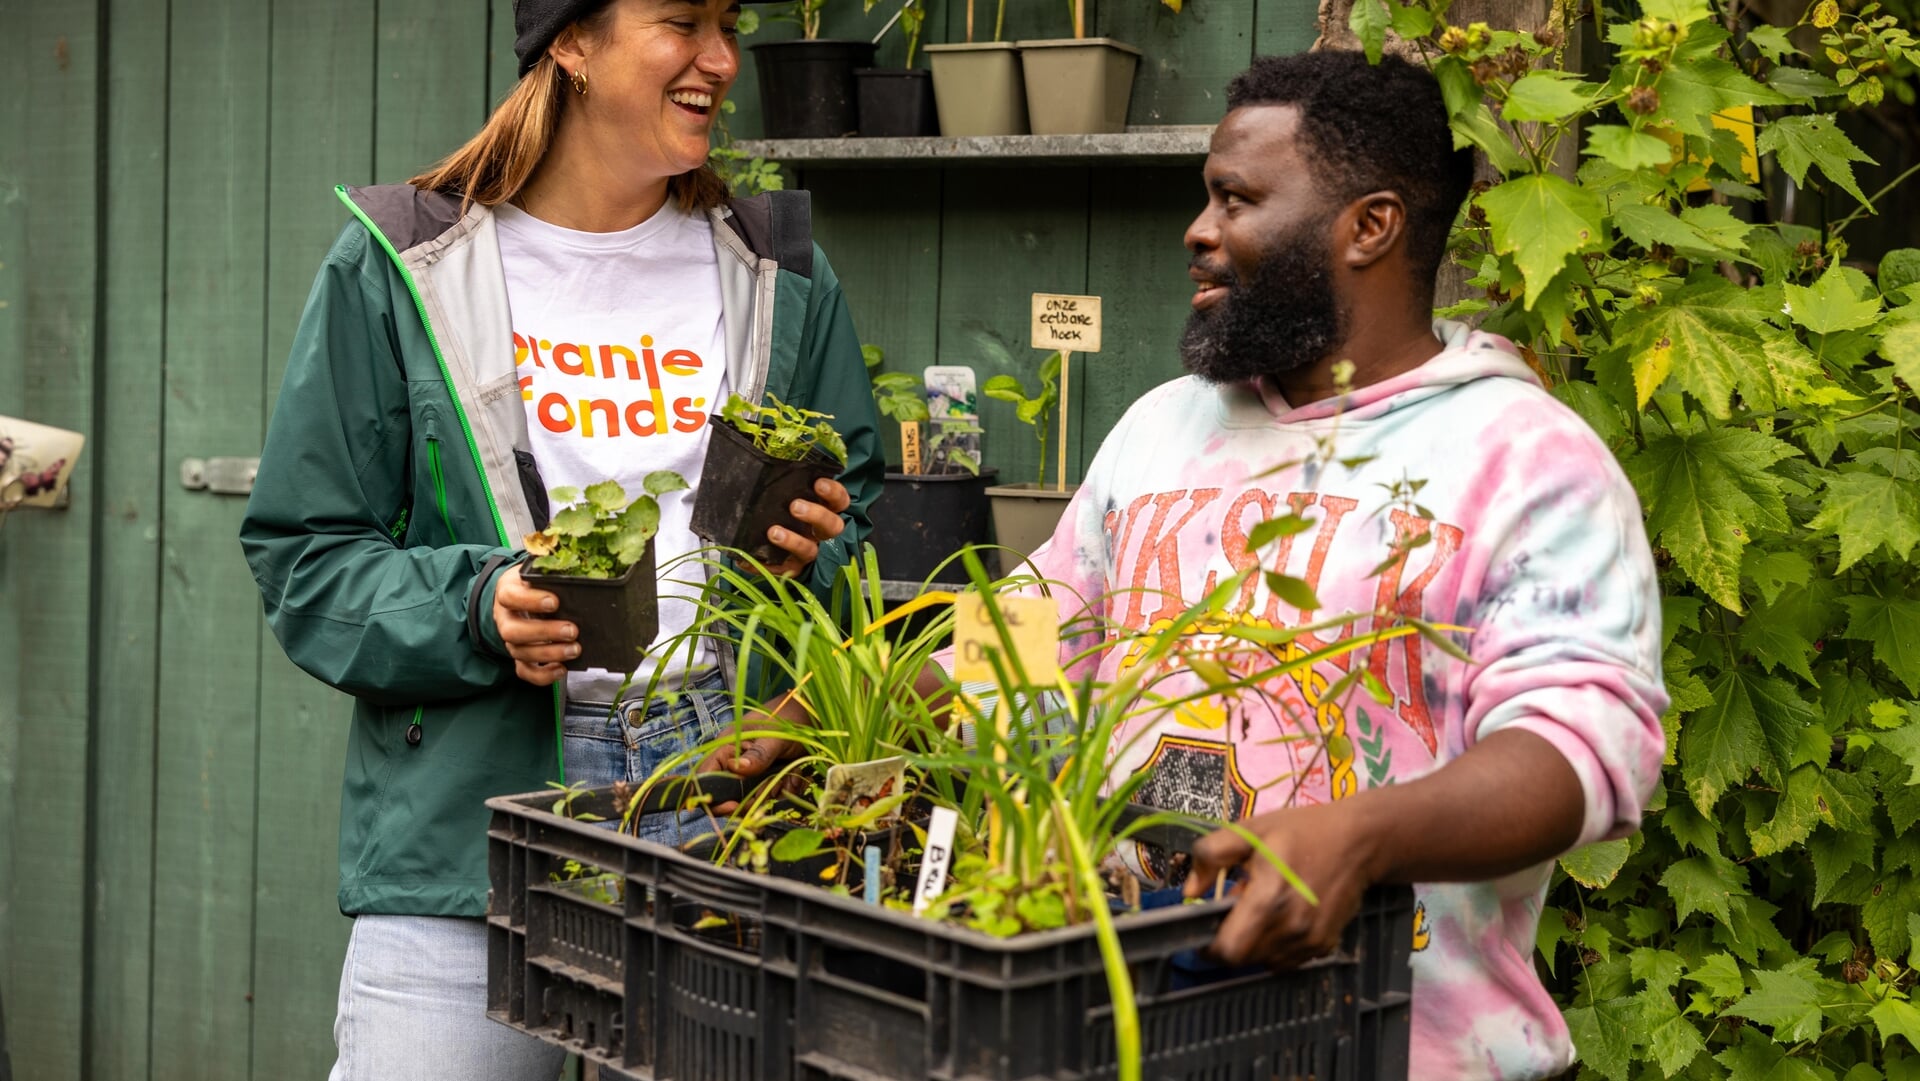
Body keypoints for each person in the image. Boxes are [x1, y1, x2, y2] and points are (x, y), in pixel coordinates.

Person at [716, 49, 1666, 1079]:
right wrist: (846, 715)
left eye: (1236, 199)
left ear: (1370, 226)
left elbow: (1584, 750)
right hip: (1140, 1031)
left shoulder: (1527, 458)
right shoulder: (1162, 428)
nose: (1199, 232)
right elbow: (1036, 630)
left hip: (1404, 1048)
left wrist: (1362, 835)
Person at [238, 0, 881, 1075]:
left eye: (729, 24)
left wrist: (818, 546)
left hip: (727, 792)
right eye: (681, 20)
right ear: (570, 44)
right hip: (473, 827)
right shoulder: (403, 264)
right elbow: (307, 553)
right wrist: (478, 605)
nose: (721, 59)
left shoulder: (781, 273)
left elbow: (864, 535)